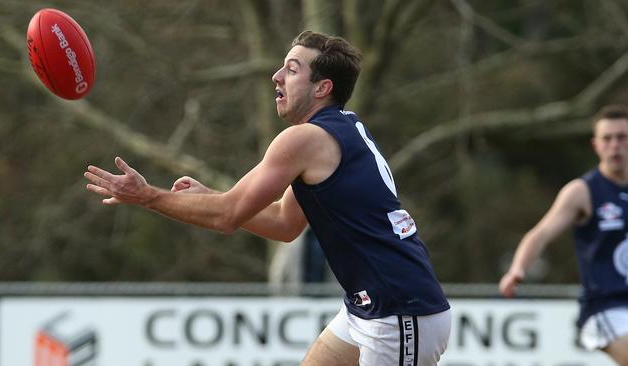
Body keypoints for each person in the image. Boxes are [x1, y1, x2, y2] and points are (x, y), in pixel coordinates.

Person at [84, 30, 451, 366]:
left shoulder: (303, 139)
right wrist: (210, 196)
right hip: (369, 307)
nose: (276, 76)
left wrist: (146, 195)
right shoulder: (338, 129)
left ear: (322, 88)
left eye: (291, 70)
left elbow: (226, 216)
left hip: (398, 312)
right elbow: (283, 223)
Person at [499, 105, 628, 365]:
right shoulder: (583, 192)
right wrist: (518, 268)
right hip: (605, 307)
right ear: (596, 145)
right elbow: (541, 234)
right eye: (607, 138)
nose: (615, 145)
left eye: (622, 137)